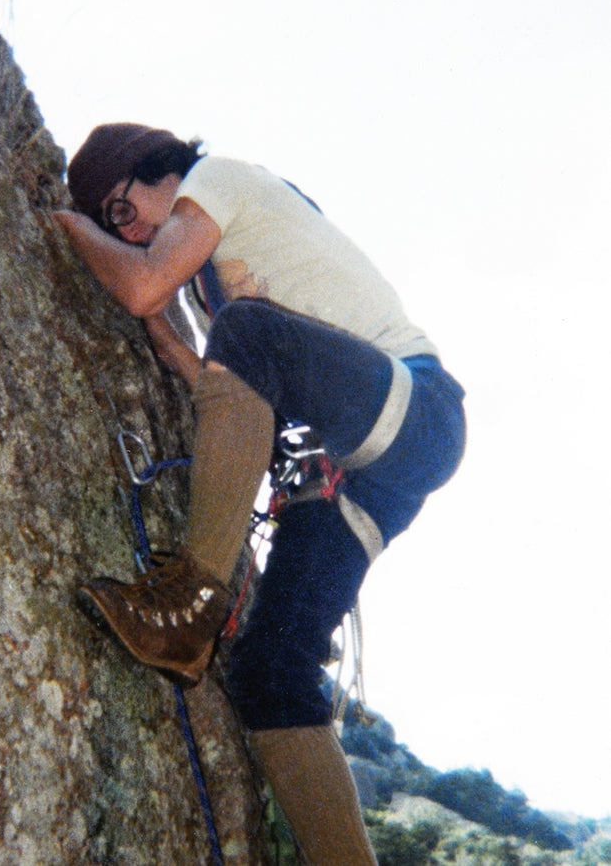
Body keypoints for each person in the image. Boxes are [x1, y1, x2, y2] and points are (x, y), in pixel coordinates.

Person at [55, 123, 466, 865]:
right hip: (367, 462)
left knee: (246, 330)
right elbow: (240, 401)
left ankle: (189, 603)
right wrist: (181, 345)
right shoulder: (219, 286)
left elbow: (148, 280)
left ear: (164, 171)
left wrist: (71, 227)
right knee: (271, 675)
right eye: (118, 222)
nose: (137, 230)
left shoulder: (221, 179)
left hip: (415, 409)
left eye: (125, 209)